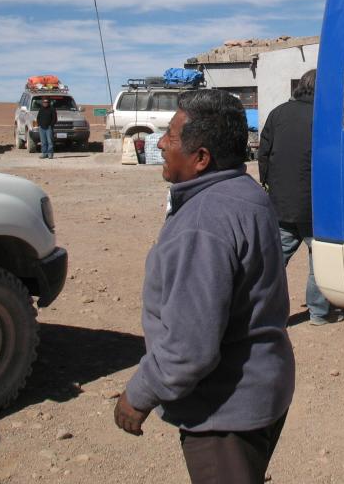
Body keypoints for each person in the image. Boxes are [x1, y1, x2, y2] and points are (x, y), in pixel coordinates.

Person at [114, 89, 295, 484]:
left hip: (225, 414)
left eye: (172, 138)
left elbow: (187, 349)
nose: (160, 143)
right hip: (264, 388)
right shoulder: (246, 192)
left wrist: (138, 395)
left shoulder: (203, 223)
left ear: (201, 159)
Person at [257, 69, 332, 325]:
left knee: (274, 263)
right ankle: (319, 314)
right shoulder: (325, 116)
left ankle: (263, 314)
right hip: (316, 206)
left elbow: (263, 154)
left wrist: (268, 183)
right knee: (319, 262)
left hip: (283, 203)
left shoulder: (278, 114)